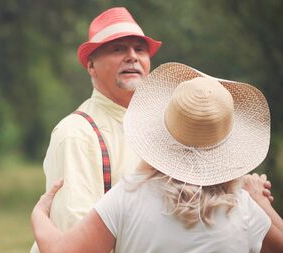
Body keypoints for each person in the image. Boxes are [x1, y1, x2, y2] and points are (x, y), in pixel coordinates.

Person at [31, 62, 283, 253]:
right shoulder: (242, 208)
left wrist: (40, 213)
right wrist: (260, 201)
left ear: (161, 134)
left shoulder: (127, 197)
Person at [30, 6, 163, 253]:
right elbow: (75, 241)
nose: (132, 56)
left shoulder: (163, 128)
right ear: (91, 65)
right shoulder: (76, 134)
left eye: (140, 49)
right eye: (118, 49)